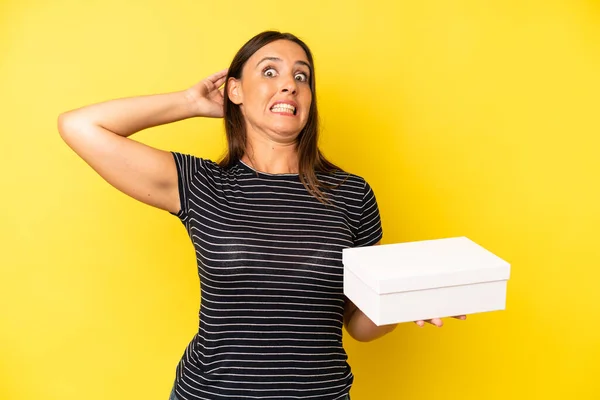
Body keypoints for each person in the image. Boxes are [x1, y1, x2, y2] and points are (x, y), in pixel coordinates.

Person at [58, 30, 465, 400]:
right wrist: (188, 102)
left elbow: (357, 324)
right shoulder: (201, 184)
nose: (289, 83)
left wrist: (400, 303)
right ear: (234, 91)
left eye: (302, 77)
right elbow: (80, 126)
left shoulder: (351, 194)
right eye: (269, 72)